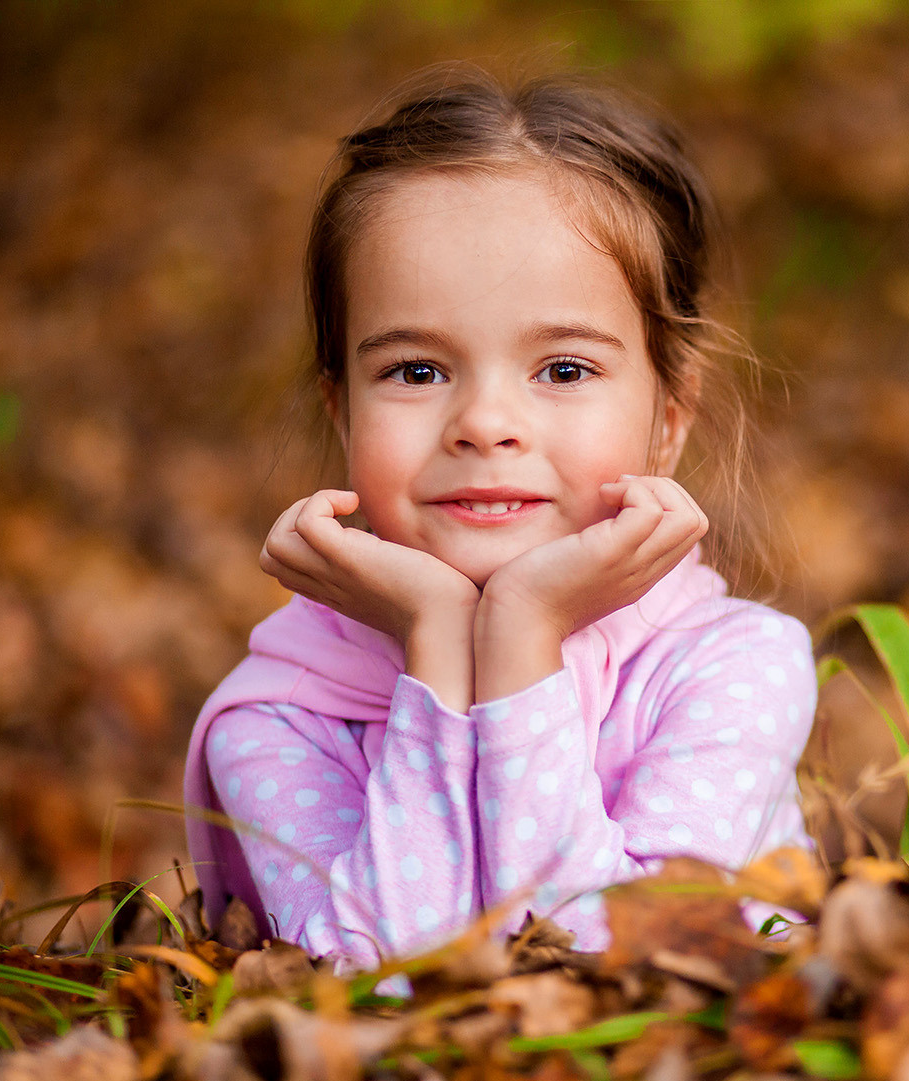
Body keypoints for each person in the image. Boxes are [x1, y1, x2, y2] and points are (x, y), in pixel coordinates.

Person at [182, 68, 816, 969]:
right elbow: (370, 984)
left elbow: (622, 971)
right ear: (341, 411)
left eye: (562, 370)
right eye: (415, 370)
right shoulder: (284, 720)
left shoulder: (731, 668)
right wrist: (440, 641)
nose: (484, 424)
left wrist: (520, 637)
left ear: (669, 418)